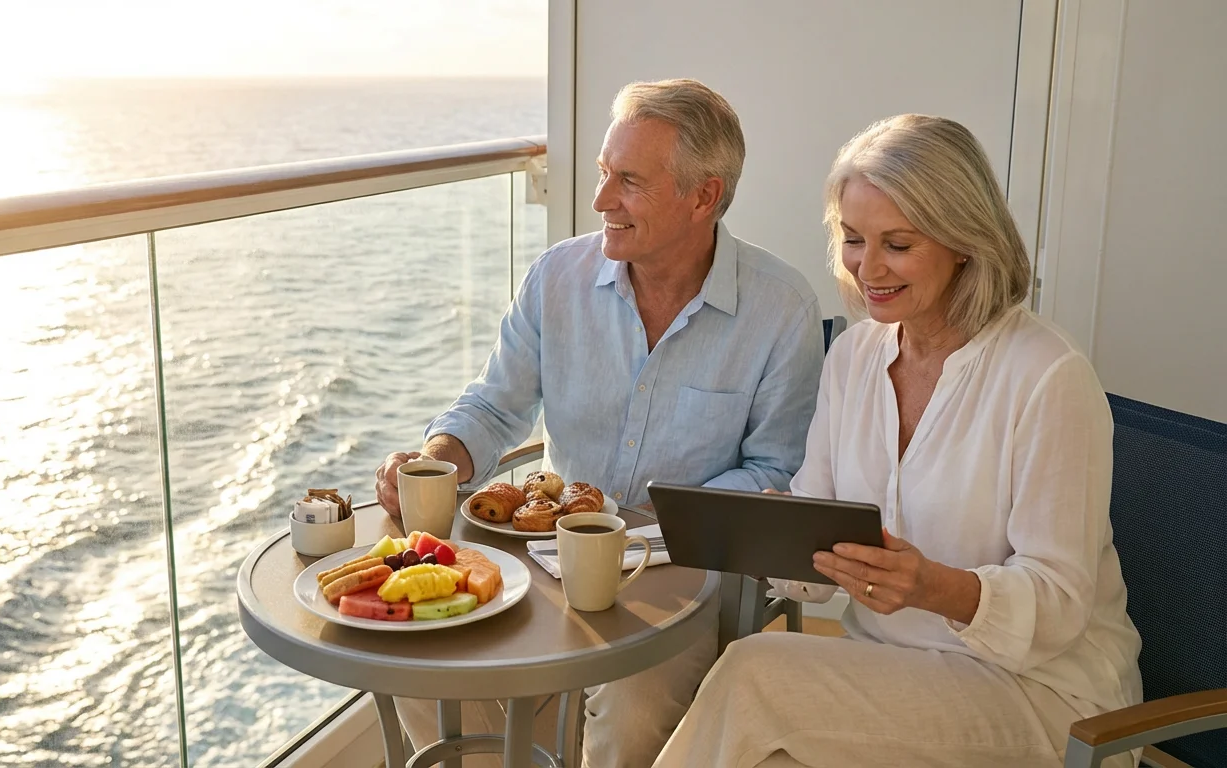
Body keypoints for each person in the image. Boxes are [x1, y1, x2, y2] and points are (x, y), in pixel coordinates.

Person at [652, 114, 1144, 768]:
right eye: (854, 239)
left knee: (753, 675)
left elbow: (1059, 605)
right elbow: (818, 554)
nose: (868, 267)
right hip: (889, 672)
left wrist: (933, 586)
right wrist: (772, 534)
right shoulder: (854, 357)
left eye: (899, 244)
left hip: (1043, 695)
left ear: (964, 240)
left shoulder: (1048, 378)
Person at [373, 78, 824, 767]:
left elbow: (775, 471)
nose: (600, 200)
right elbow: (495, 406)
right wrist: (439, 454)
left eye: (629, 182)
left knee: (632, 706)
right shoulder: (556, 277)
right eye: (603, 173)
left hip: (683, 575)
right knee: (418, 659)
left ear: (703, 195)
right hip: (546, 562)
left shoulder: (780, 309)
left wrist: (646, 523)